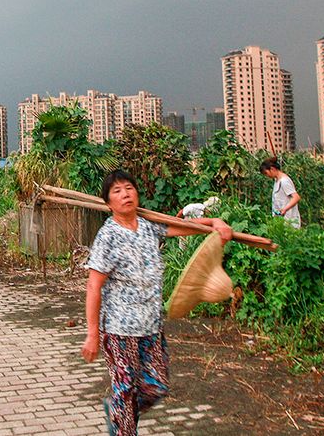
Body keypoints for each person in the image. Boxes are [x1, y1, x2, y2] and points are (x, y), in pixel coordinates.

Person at [81, 169, 234, 435]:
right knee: (126, 390)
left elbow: (188, 227)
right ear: (108, 203)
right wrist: (92, 333)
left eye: (128, 188)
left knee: (156, 386)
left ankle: (118, 408)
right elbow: (94, 285)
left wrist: (215, 222)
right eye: (116, 191)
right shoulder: (108, 237)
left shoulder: (149, 226)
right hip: (119, 329)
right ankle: (123, 419)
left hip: (151, 325)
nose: (125, 194)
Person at [260, 157, 301, 228]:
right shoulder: (277, 181)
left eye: (266, 173)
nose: (267, 176)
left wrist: (285, 209)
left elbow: (296, 197)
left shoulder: (284, 181)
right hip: (282, 220)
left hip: (290, 220)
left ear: (272, 169)